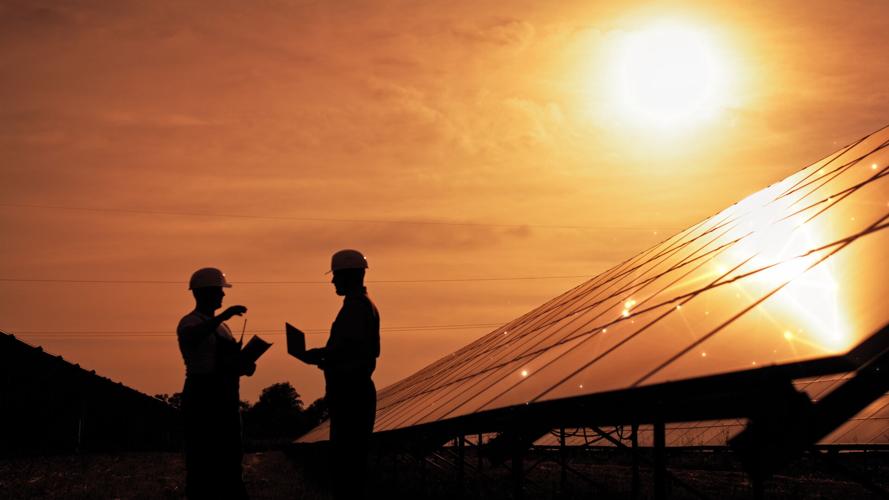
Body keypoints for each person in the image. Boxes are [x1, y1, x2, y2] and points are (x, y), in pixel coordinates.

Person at [303, 249, 381, 499]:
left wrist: (319, 356)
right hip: (353, 391)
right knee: (351, 463)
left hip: (351, 393)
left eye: (336, 276)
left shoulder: (356, 308)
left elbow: (347, 351)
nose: (333, 281)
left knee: (347, 464)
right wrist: (324, 357)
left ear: (349, 276)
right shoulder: (360, 306)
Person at [176, 267, 256, 500]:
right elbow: (192, 337)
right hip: (202, 397)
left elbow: (227, 361)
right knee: (202, 461)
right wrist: (223, 316)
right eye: (219, 290)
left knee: (230, 458)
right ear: (205, 293)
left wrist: (245, 365)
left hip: (226, 397)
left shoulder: (224, 328)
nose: (223, 294)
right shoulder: (189, 322)